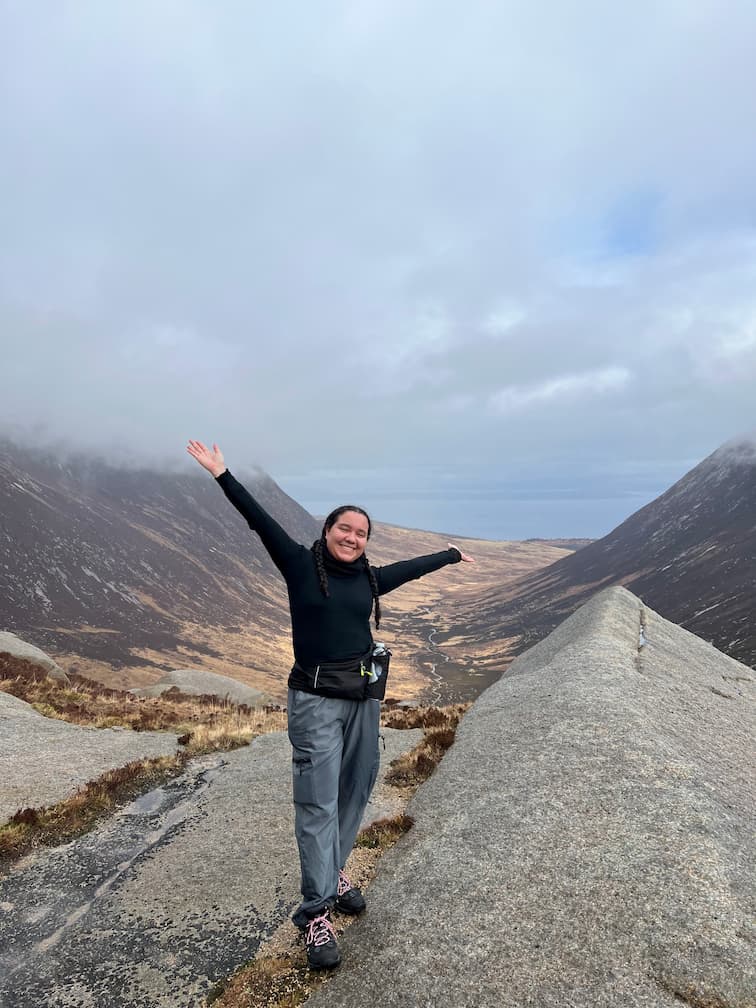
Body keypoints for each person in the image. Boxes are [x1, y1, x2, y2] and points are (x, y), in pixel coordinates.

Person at [186, 439, 474, 969]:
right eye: (345, 528)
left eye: (361, 533)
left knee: (357, 788)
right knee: (318, 803)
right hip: (315, 702)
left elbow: (410, 569)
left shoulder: (368, 578)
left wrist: (450, 555)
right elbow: (259, 521)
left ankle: (335, 872)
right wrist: (222, 474)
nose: (352, 537)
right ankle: (316, 913)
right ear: (327, 530)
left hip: (362, 699)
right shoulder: (298, 564)